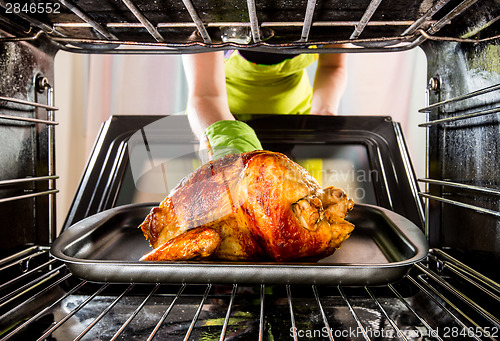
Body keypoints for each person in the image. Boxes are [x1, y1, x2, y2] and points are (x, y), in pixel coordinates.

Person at [182, 50, 347, 161]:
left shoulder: (328, 9)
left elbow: (332, 65)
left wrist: (322, 114)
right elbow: (205, 95)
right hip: (221, 120)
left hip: (297, 121)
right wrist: (225, 148)